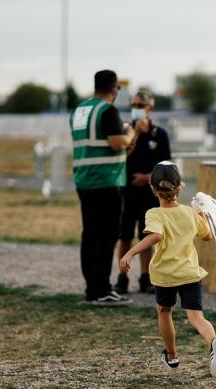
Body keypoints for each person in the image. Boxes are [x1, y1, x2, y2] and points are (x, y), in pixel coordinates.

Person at [119, 162, 216, 375]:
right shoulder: (190, 213)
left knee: (164, 311)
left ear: (152, 188)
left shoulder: (154, 214)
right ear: (181, 186)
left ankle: (171, 354)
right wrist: (202, 215)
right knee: (196, 317)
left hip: (165, 275)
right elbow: (207, 236)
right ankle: (213, 341)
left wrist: (130, 252)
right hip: (189, 273)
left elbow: (156, 235)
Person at [71, 69, 137, 306]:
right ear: (114, 88)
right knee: (107, 236)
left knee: (90, 235)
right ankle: (102, 290)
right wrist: (131, 132)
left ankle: (92, 288)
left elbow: (95, 142)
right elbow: (117, 143)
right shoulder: (107, 110)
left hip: (84, 179)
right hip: (106, 180)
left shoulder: (80, 110)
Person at [114, 90, 172, 295]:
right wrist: (136, 132)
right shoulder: (126, 130)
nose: (136, 109)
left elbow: (165, 165)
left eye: (140, 105)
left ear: (150, 108)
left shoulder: (159, 134)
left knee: (146, 235)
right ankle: (122, 277)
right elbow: (121, 154)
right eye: (134, 105)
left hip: (149, 192)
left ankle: (145, 277)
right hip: (126, 191)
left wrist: (147, 177)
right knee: (124, 235)